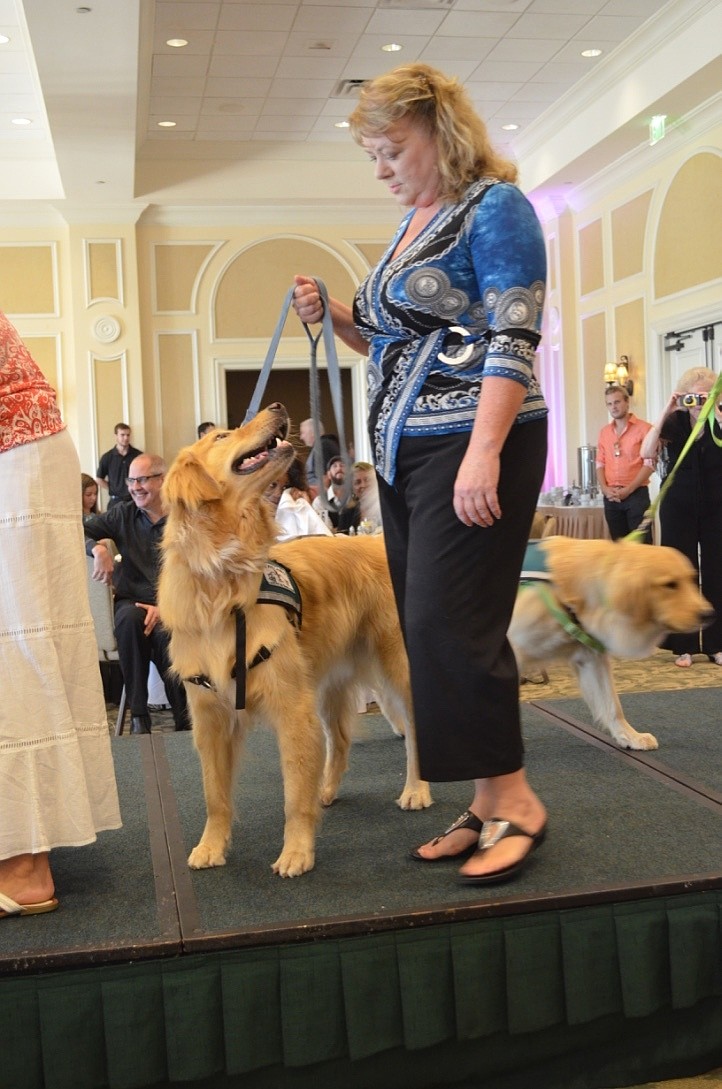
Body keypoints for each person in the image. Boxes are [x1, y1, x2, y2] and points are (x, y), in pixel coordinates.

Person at [292, 63, 548, 885]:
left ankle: (517, 802)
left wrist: (482, 450)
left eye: (391, 149)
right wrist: (333, 313)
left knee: (452, 621)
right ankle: (483, 798)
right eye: (372, 155)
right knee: (429, 624)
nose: (381, 169)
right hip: (406, 458)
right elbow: (392, 342)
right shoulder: (415, 223)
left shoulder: (493, 207)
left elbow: (513, 332)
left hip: (474, 444)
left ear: (440, 132)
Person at [0, 309, 121, 918]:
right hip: (20, 450)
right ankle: (25, 840)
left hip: (13, 453)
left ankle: (23, 863)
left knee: (14, 651)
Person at [84, 453, 191, 734]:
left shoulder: (186, 516)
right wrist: (98, 549)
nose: (135, 487)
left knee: (165, 632)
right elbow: (76, 528)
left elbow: (199, 573)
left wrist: (165, 608)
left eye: (142, 479)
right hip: (131, 602)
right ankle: (139, 716)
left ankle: (184, 720)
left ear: (163, 479)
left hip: (176, 605)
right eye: (131, 480)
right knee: (130, 621)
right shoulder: (123, 514)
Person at [640, 366, 722, 668]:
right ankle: (683, 645)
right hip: (678, 505)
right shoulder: (674, 422)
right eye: (693, 397)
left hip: (717, 506)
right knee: (680, 573)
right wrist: (667, 408)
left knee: (718, 572)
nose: (699, 402)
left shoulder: (719, 423)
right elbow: (646, 451)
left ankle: (717, 643)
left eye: (705, 396)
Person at [596, 385, 653, 541]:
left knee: (641, 547)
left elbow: (649, 465)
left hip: (636, 496)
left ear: (627, 403)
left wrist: (628, 490)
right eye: (609, 404)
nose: (613, 407)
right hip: (611, 498)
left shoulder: (645, 429)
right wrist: (605, 489)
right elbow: (600, 464)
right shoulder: (604, 432)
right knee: (618, 548)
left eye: (617, 402)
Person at [264, 457, 333, 541]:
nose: (278, 494)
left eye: (285, 487)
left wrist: (306, 508)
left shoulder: (295, 510)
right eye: (272, 485)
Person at [96, 422, 142, 508]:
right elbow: (99, 479)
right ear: (116, 436)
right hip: (115, 502)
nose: (126, 438)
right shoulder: (107, 457)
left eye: (128, 435)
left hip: (134, 501)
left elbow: (144, 476)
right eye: (122, 435)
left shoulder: (138, 455)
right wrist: (112, 488)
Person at [298, 417, 340, 499]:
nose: (301, 437)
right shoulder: (325, 444)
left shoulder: (322, 445)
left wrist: (320, 503)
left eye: (302, 433)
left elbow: (325, 476)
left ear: (313, 432)